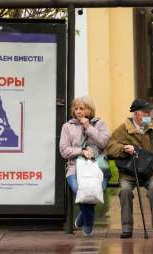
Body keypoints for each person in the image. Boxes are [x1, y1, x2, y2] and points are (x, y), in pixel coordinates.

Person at [107, 98, 153, 239]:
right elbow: (109, 148)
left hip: (151, 173)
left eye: (150, 113)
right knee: (125, 190)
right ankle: (127, 228)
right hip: (129, 173)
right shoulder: (122, 129)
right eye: (146, 113)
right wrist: (123, 148)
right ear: (136, 114)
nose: (149, 116)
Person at [59, 96, 110, 235]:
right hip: (75, 167)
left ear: (89, 110)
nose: (78, 111)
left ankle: (82, 216)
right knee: (79, 188)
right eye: (75, 108)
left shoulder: (100, 124)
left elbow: (104, 143)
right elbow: (64, 150)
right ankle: (88, 222)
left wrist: (88, 127)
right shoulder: (67, 126)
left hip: (97, 166)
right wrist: (81, 151)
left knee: (95, 190)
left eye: (82, 108)